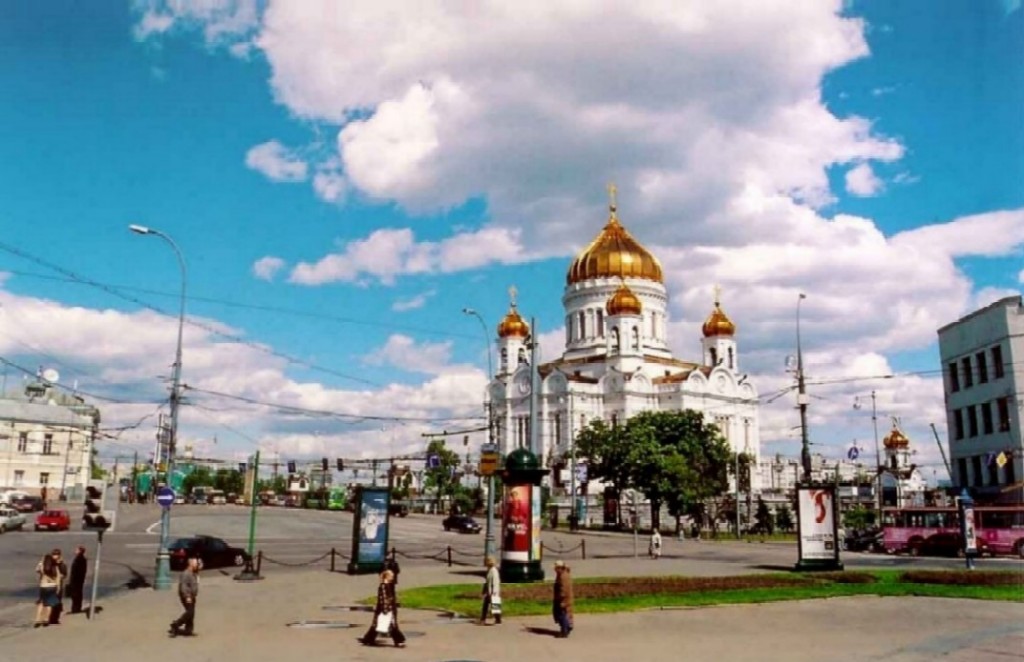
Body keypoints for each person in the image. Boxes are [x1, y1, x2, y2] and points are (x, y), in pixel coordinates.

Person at [360, 569, 406, 648]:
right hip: (385, 609)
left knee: (378, 625)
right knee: (390, 625)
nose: (393, 577)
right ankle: (399, 640)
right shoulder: (383, 586)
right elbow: (384, 599)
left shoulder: (388, 585)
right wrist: (386, 609)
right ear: (387, 577)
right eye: (391, 576)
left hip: (387, 609)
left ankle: (368, 639)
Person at [169, 556, 200, 637]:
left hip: (192, 596)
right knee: (190, 612)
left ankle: (188, 630)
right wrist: (187, 596)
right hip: (187, 596)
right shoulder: (186, 574)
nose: (197, 565)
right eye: (196, 563)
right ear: (191, 564)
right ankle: (176, 624)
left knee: (191, 613)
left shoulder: (193, 573)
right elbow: (183, 586)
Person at [34, 549, 64, 627]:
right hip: (52, 587)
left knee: (41, 603)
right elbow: (58, 577)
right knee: (49, 604)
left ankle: (37, 619)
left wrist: (41, 562)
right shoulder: (55, 566)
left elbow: (37, 570)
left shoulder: (42, 566)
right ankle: (46, 620)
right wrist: (58, 587)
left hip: (43, 586)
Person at [552, 560, 574, 638]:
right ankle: (568, 626)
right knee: (563, 614)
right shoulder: (562, 574)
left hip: (563, 599)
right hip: (563, 599)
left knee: (562, 615)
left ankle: (564, 631)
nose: (554, 570)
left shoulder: (563, 576)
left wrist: (562, 600)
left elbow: (564, 589)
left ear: (559, 568)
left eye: (556, 568)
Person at [47, 549, 68, 624]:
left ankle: (55, 619)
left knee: (57, 603)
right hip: (50, 585)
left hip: (58, 586)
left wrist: (59, 565)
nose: (55, 556)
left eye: (57, 555)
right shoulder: (49, 564)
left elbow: (64, 574)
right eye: (54, 555)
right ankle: (49, 618)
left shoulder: (62, 564)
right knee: (51, 603)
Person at [479, 556, 502, 625]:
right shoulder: (489, 570)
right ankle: (483, 619)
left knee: (494, 606)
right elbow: (487, 582)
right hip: (489, 591)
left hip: (493, 592)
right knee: (487, 606)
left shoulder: (494, 571)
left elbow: (495, 582)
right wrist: (484, 591)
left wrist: (494, 592)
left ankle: (497, 620)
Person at [68, 546, 88, 614]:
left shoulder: (79, 559)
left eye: (76, 550)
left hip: (76, 580)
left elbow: (77, 571)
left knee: (75, 595)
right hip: (78, 580)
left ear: (80, 551)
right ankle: (76, 608)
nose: (75, 551)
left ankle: (75, 609)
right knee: (77, 594)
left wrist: (72, 580)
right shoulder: (81, 559)